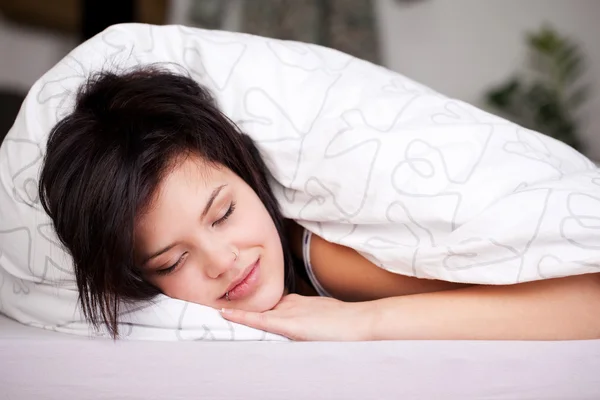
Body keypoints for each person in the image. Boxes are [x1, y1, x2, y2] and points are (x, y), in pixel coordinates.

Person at [39, 66, 600, 341]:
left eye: (224, 212)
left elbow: (589, 299)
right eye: (170, 261)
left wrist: (366, 322)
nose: (221, 260)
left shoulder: (324, 252)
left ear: (245, 171)